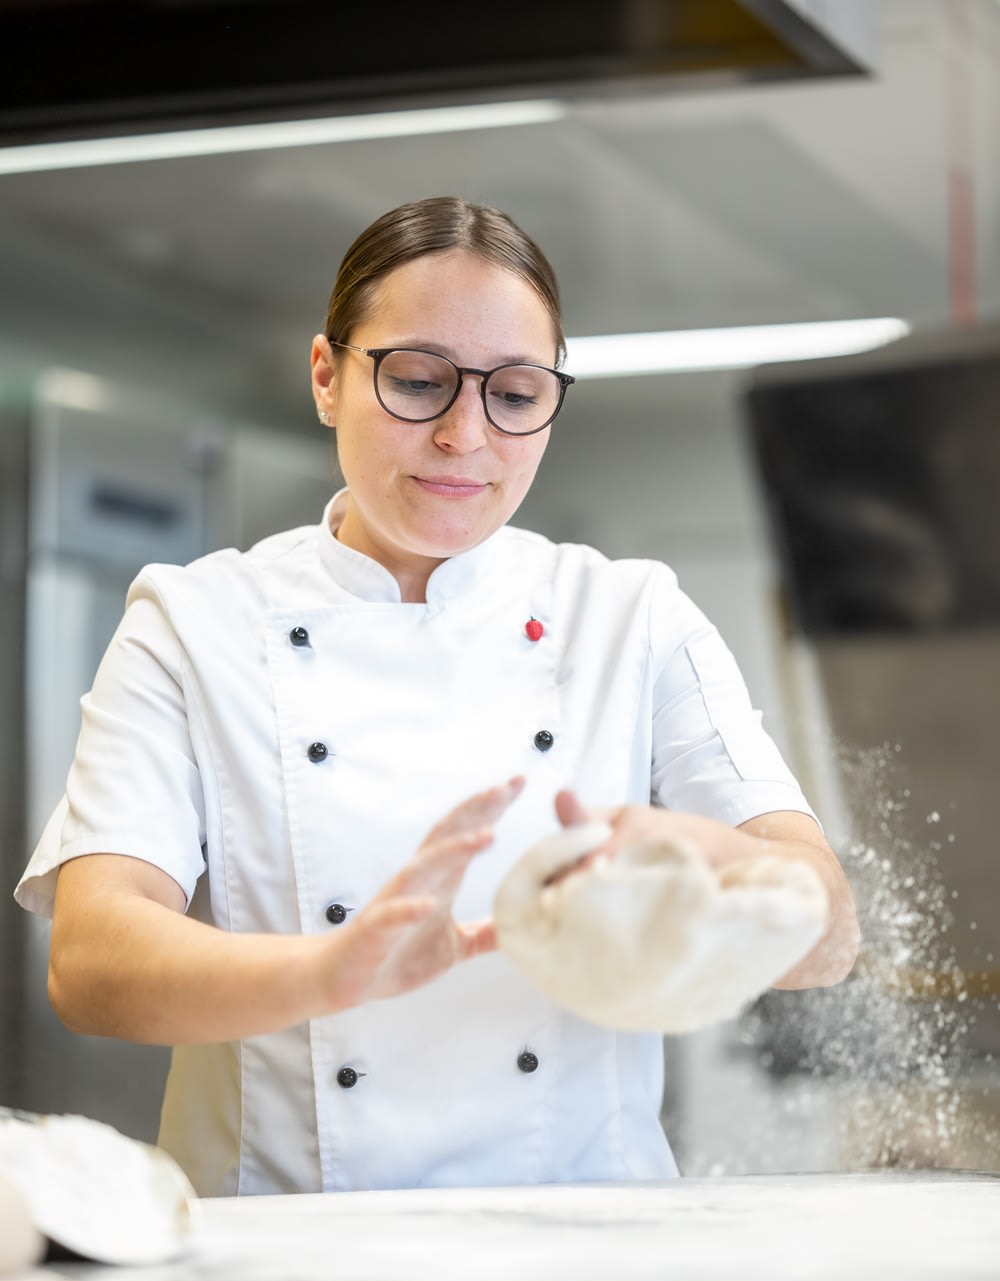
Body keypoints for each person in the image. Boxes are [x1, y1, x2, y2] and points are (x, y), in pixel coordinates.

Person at [15, 196, 859, 1197]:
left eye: (514, 394)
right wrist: (328, 974)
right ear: (327, 377)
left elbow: (827, 937)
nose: (466, 436)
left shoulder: (631, 617)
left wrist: (703, 862)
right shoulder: (192, 623)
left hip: (587, 1252)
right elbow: (93, 964)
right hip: (284, 1261)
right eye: (417, 381)